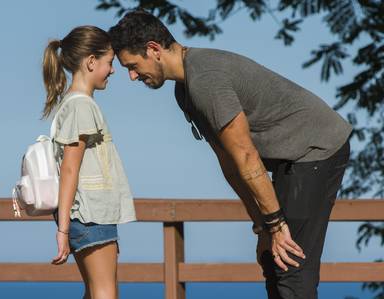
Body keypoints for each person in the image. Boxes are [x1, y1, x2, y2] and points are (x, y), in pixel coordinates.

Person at [108, 10, 351, 299]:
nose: (132, 76)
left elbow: (246, 155)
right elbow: (231, 164)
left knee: (291, 264)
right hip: (290, 158)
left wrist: (276, 225)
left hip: (316, 149)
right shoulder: (184, 91)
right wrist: (263, 227)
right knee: (272, 260)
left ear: (153, 49)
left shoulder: (205, 80)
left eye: (133, 66)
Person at [42, 25, 137, 299]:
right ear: (91, 62)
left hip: (86, 215)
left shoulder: (72, 104)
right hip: (90, 215)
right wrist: (62, 229)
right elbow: (70, 169)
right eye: (109, 62)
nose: (113, 70)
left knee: (95, 290)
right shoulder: (81, 106)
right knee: (105, 292)